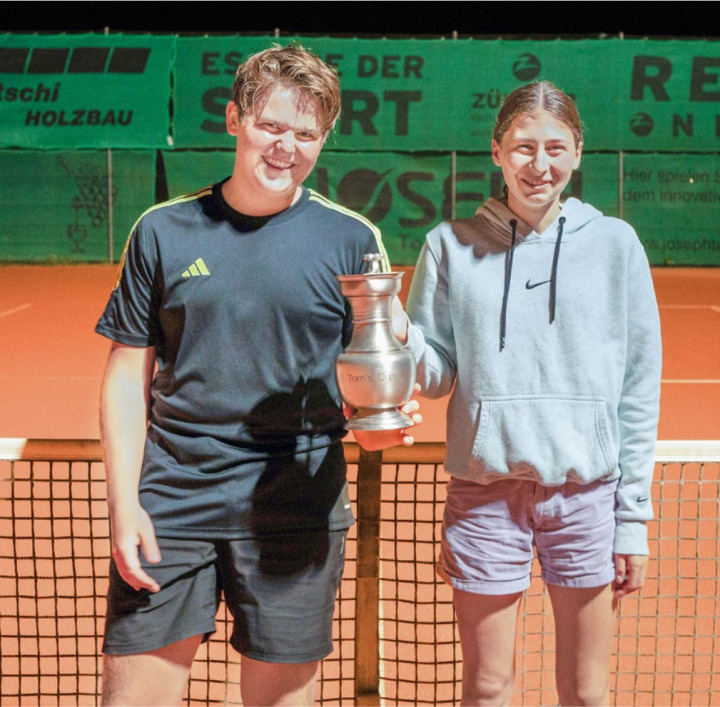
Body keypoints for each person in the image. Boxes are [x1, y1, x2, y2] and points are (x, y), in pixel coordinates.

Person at [95, 44, 419, 707]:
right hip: (172, 508)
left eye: (306, 134)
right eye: (272, 126)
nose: (287, 147)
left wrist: (379, 420)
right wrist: (124, 503)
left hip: (295, 515)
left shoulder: (352, 240)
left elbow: (377, 368)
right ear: (234, 118)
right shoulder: (162, 231)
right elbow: (127, 376)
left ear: (323, 139)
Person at [400, 81, 661, 705]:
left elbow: (638, 387)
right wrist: (388, 334)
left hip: (587, 497)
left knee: (586, 693)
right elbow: (435, 375)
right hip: (485, 494)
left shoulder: (616, 246)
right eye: (521, 147)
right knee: (489, 688)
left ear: (576, 153)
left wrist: (633, 522)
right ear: (496, 151)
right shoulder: (447, 246)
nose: (537, 165)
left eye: (553, 148)